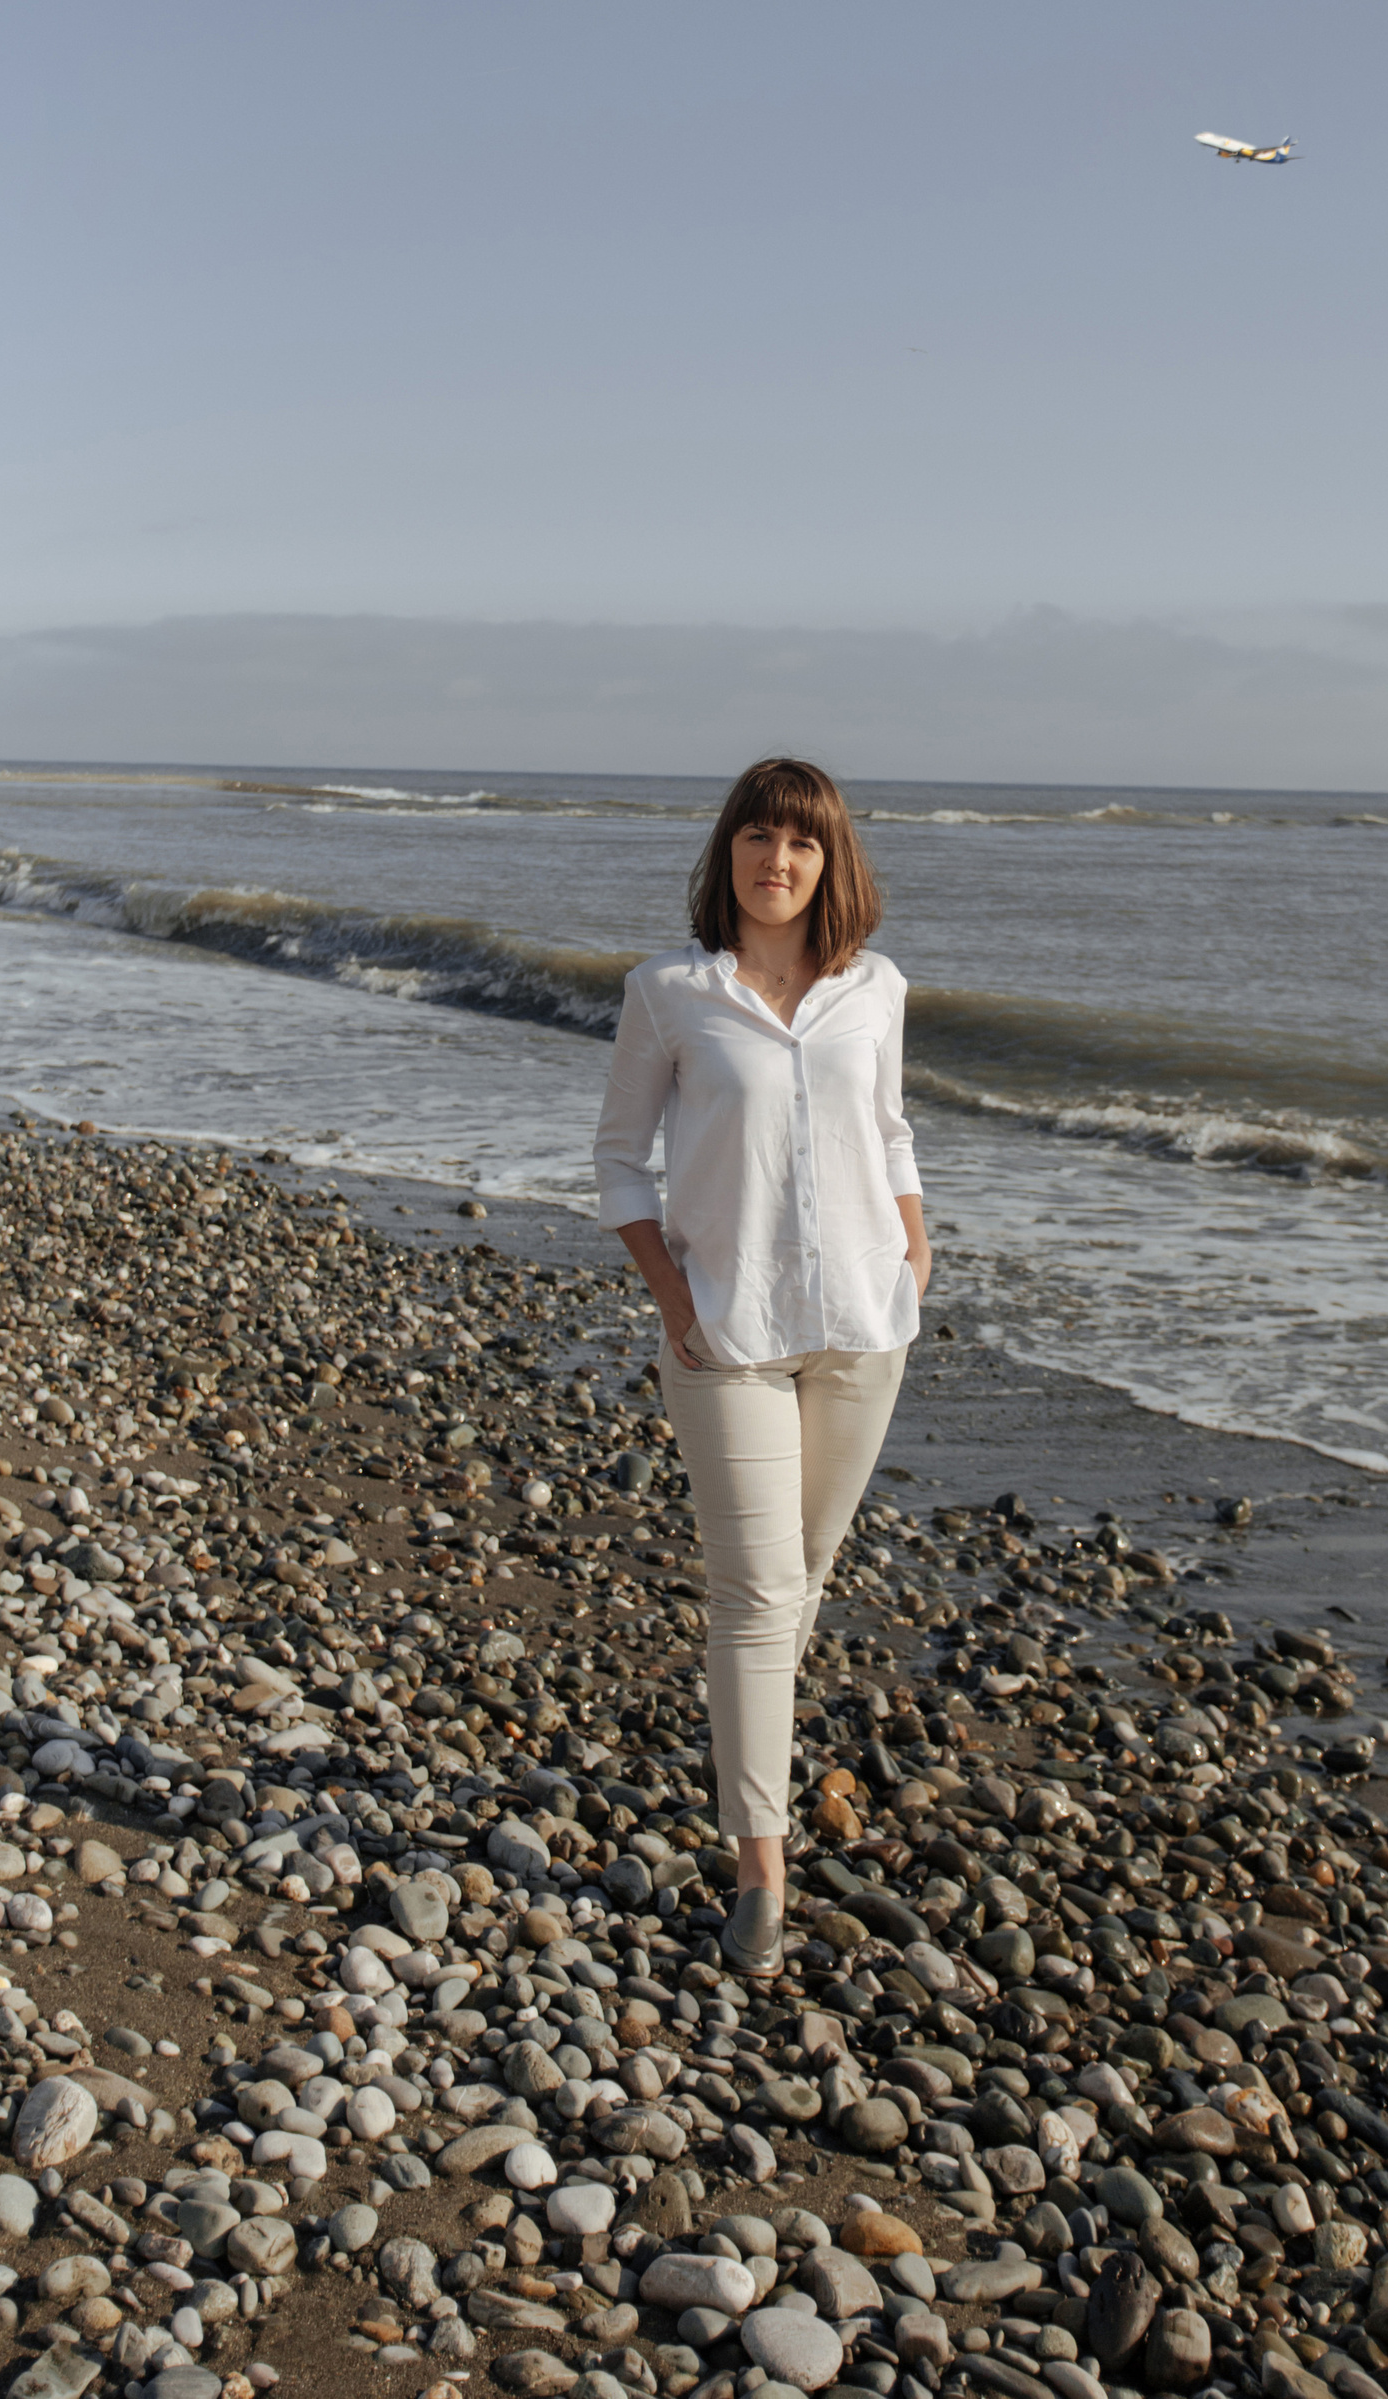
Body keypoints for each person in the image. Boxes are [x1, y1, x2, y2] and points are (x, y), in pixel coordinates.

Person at [592, 755, 930, 1979]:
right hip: (724, 1330)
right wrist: (671, 1292)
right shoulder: (670, 992)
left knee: (804, 1575)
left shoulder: (875, 986)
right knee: (754, 1593)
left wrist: (917, 1245)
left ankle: (757, 1752)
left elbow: (889, 1127)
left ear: (831, 861)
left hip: (862, 1323)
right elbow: (620, 1157)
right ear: (726, 849)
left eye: (800, 841)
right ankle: (761, 1869)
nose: (775, 860)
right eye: (756, 836)